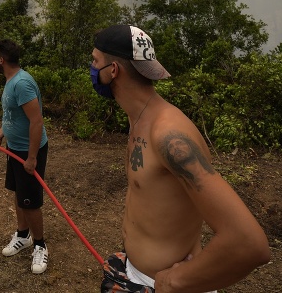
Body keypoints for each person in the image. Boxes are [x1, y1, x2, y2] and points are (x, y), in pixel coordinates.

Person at [91, 25, 270, 293]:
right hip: (134, 272)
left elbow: (249, 244)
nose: (92, 68)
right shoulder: (139, 117)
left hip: (163, 285)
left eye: (95, 61)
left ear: (113, 70)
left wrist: (176, 281)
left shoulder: (169, 136)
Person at [0, 39, 50, 275]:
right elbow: (13, 116)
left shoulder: (21, 83)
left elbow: (36, 121)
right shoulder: (11, 80)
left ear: (2, 60)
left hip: (28, 152)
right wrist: (0, 134)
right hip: (14, 149)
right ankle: (23, 236)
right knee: (19, 194)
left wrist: (32, 158)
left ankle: (40, 245)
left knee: (30, 202)